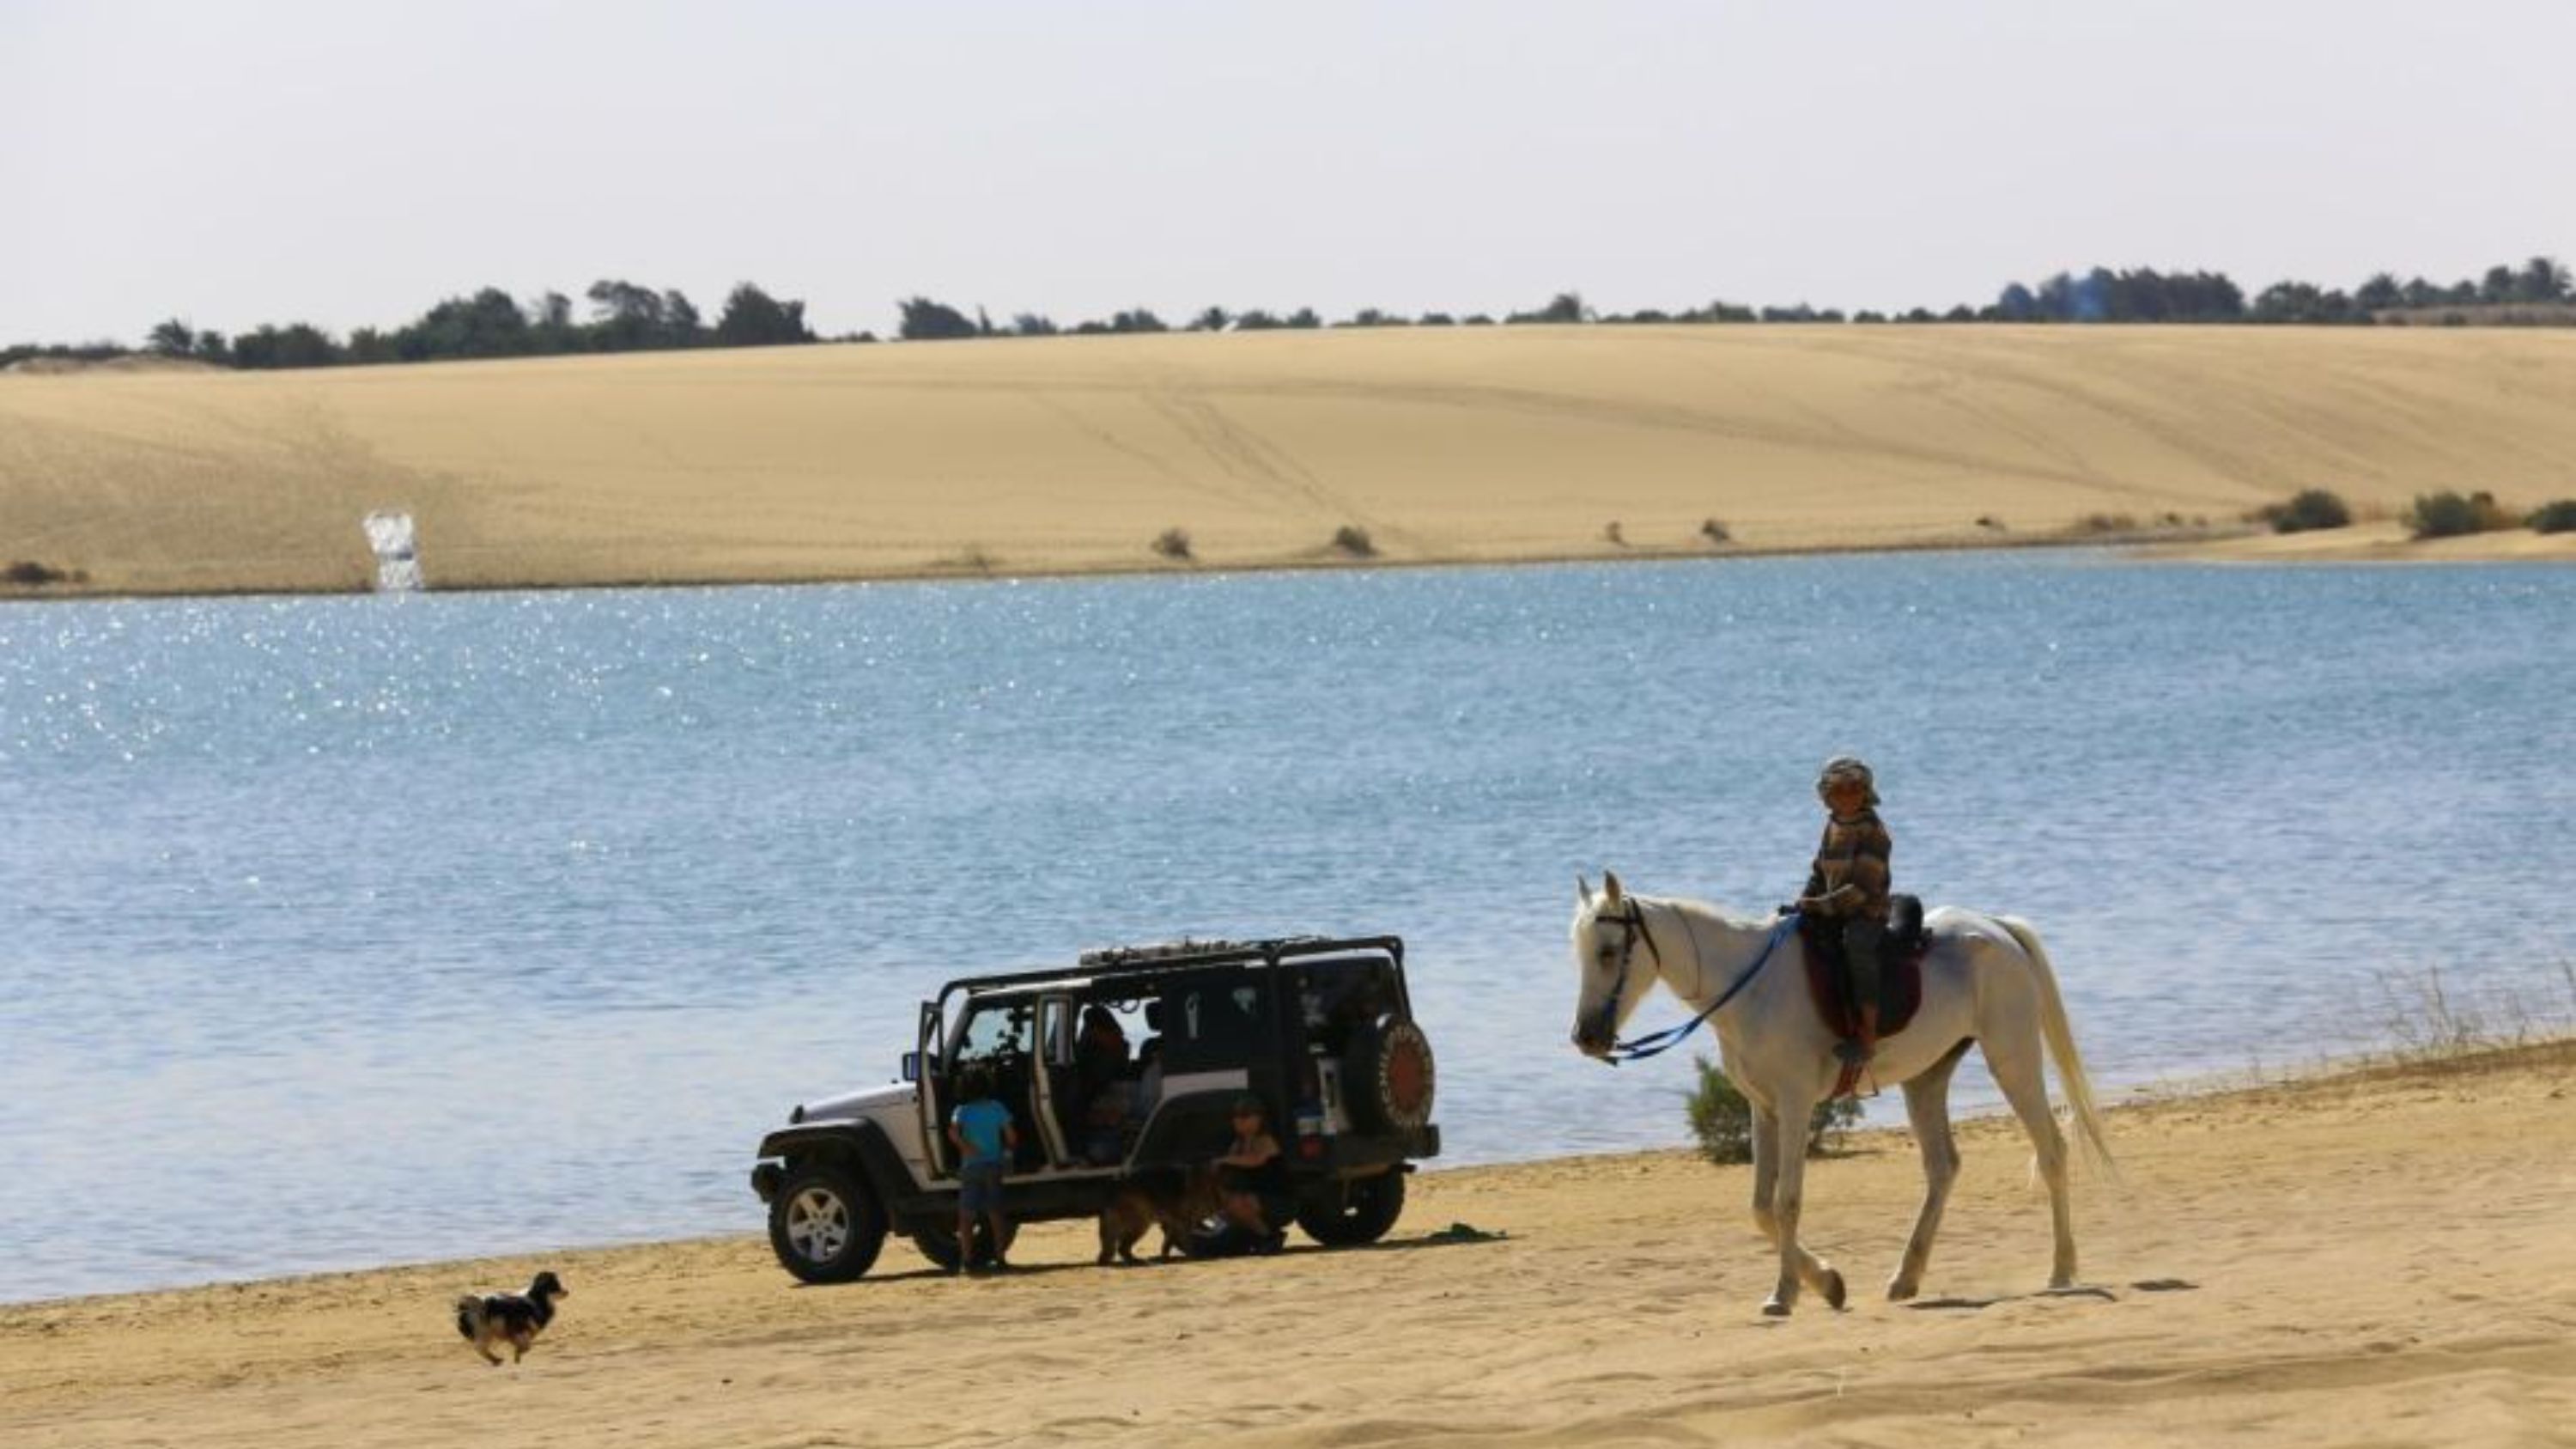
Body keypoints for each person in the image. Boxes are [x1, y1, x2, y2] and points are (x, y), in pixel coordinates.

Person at [1795, 755, 1893, 1068]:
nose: (1847, 795)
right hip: (1832, 910)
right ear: (1827, 795)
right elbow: (1819, 871)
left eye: (1854, 788)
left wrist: (1819, 906)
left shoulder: (1874, 830)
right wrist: (1804, 900)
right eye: (1839, 790)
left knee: (1857, 948)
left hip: (1866, 912)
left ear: (1866, 791)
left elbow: (1860, 889)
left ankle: (1867, 1033)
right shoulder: (1833, 825)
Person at [945, 1067, 1018, 1272]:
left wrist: (966, 1147)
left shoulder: (962, 1110)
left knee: (966, 1215)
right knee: (995, 1213)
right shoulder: (997, 1108)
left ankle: (967, 1260)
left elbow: (952, 1132)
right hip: (994, 1165)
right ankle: (1000, 1257)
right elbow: (1012, 1136)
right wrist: (1007, 1151)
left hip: (971, 1166)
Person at [1213, 1095, 1292, 1253]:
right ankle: (1251, 1238)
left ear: (1259, 1119)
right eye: (1236, 1116)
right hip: (1257, 1198)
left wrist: (1224, 1160)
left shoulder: (1266, 1140)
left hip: (1280, 1201)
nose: (1239, 1121)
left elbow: (1255, 1160)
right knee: (1225, 1205)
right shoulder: (1239, 1143)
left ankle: (1270, 1237)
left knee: (1238, 1203)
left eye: (1245, 1116)